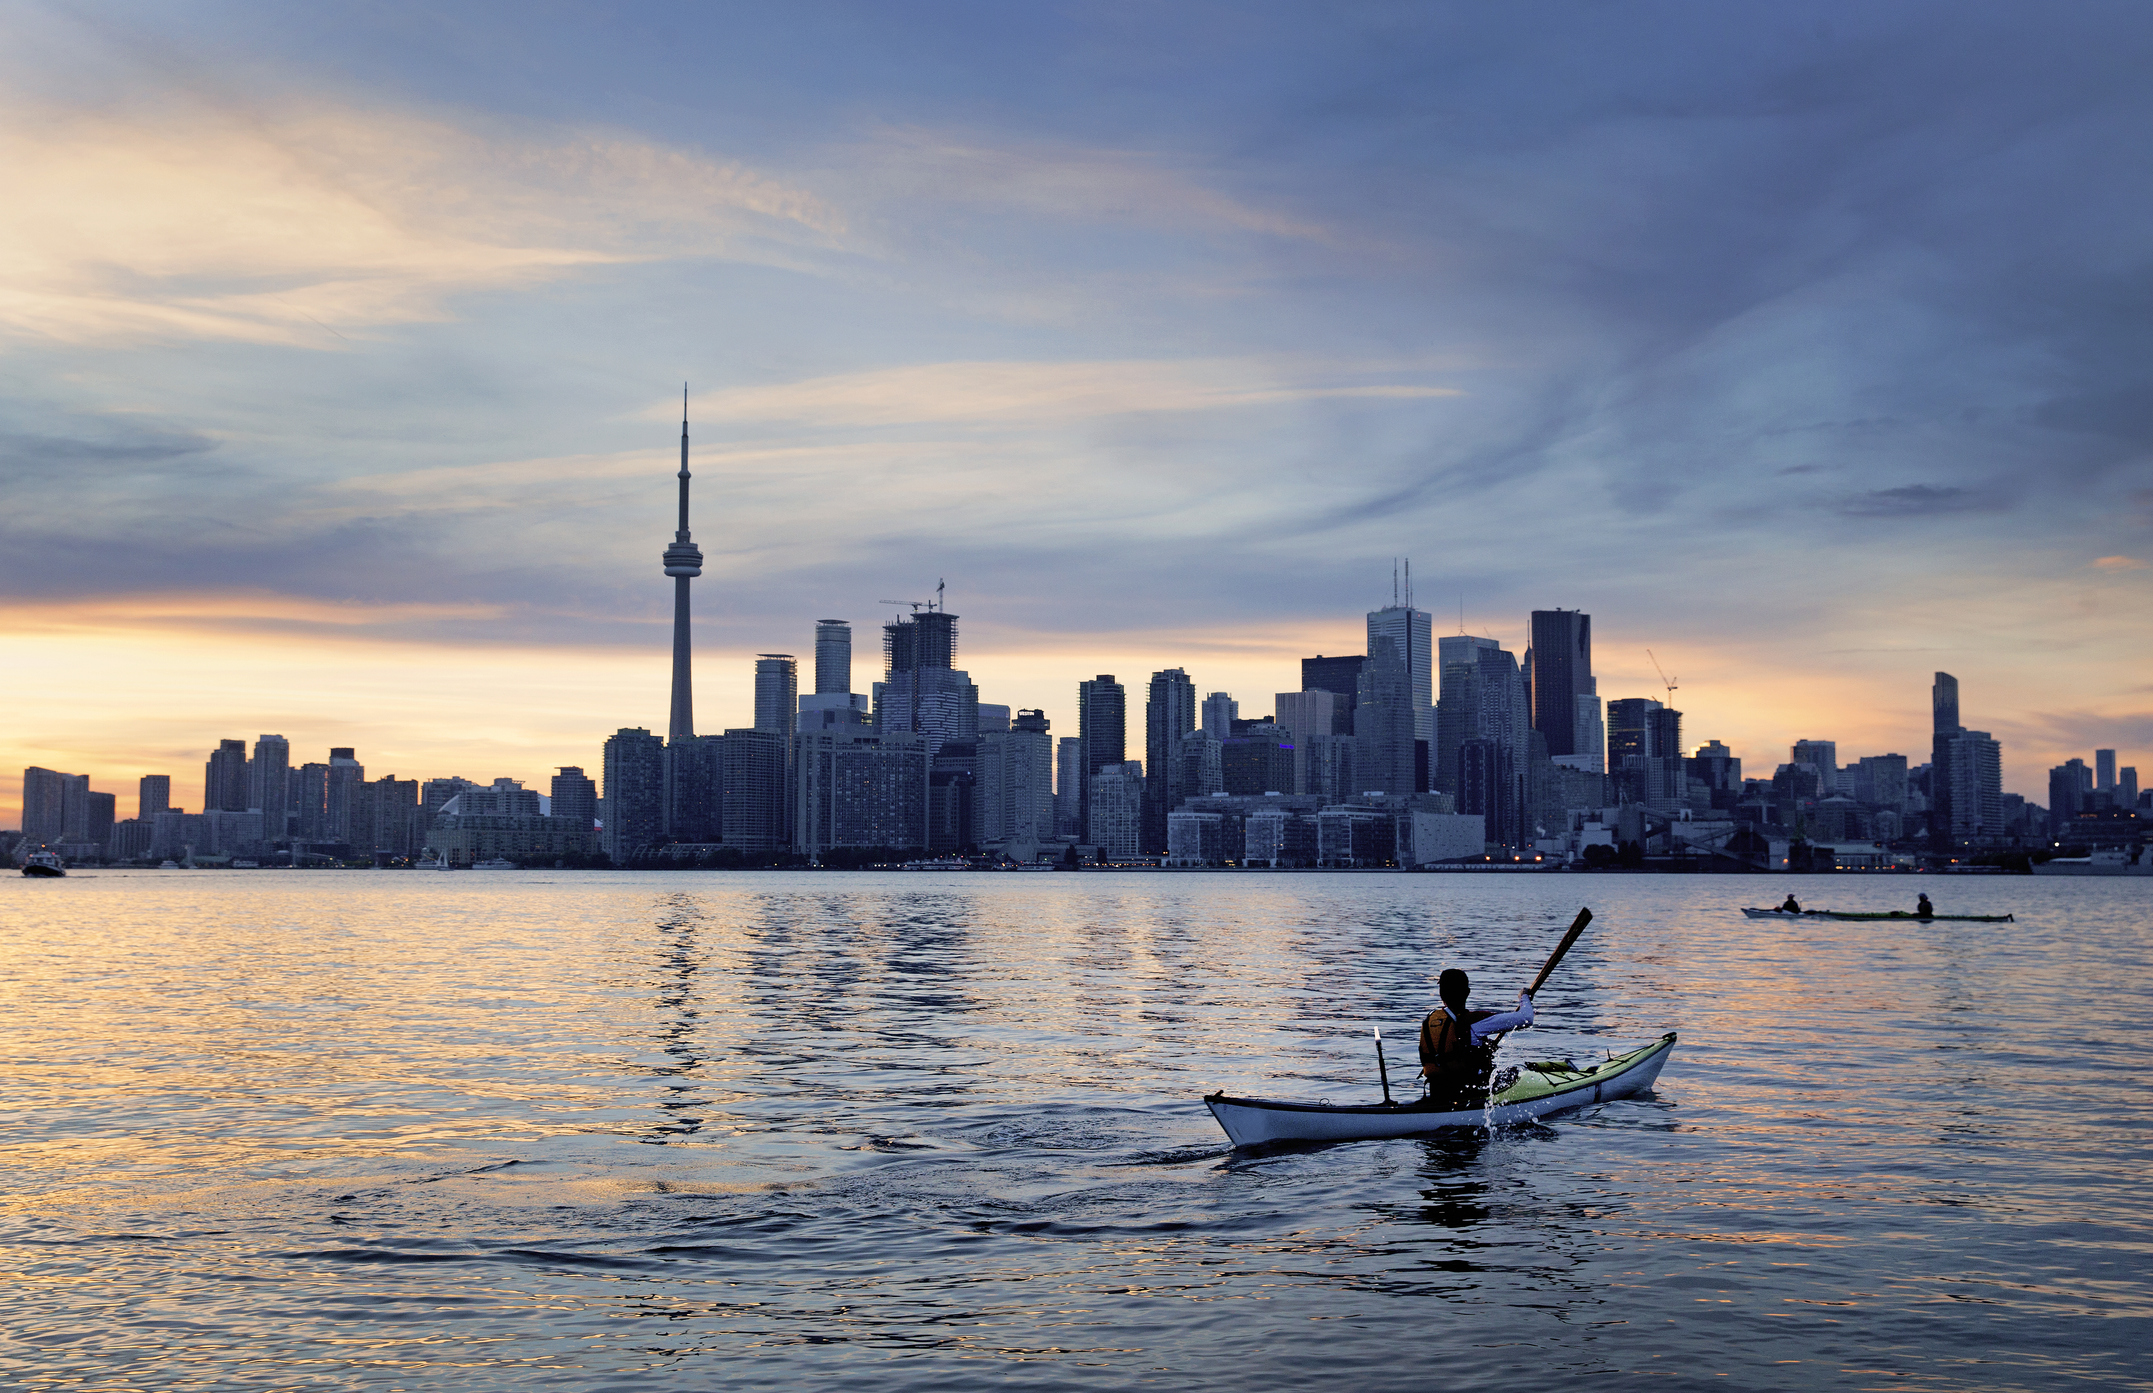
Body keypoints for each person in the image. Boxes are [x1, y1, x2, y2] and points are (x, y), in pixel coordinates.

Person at [1418, 968, 1536, 1106]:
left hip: (1437, 1092)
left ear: (1441, 994)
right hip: (1470, 1095)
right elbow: (1526, 1018)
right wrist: (1524, 997)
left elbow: (1456, 1049)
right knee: (1513, 1073)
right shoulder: (1474, 1021)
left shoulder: (1431, 1021)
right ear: (1467, 993)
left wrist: (1483, 1047)